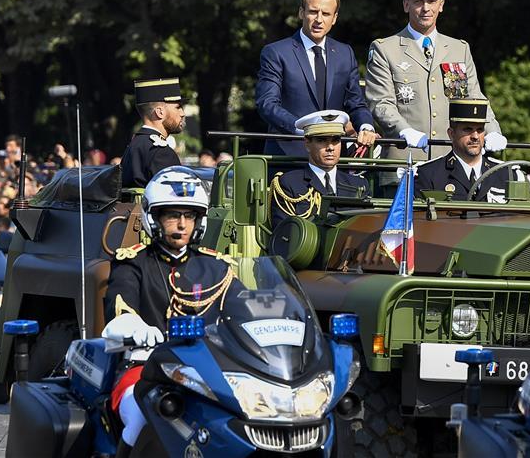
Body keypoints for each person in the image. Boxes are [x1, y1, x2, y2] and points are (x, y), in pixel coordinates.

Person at [102, 166, 237, 448]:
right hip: (145, 369)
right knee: (142, 417)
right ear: (154, 218)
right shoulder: (133, 262)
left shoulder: (216, 266)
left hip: (210, 372)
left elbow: (243, 309)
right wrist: (134, 327)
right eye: (173, 215)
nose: (182, 224)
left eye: (189, 216)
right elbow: (120, 307)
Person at [364, 0, 505, 162]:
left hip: (451, 160)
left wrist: (492, 130)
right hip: (405, 159)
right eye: (418, 1)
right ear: (406, 5)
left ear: (441, 5)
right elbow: (380, 102)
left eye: (431, 1)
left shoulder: (459, 49)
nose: (425, 8)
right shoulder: (385, 49)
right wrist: (403, 130)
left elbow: (474, 98)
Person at [256, 0, 377, 156]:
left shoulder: (345, 53)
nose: (319, 19)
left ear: (334, 18)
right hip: (288, 156)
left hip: (332, 157)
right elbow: (267, 104)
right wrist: (302, 128)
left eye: (326, 14)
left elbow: (356, 102)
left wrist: (366, 126)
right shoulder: (276, 52)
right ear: (301, 13)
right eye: (313, 11)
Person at [269, 110, 368, 229]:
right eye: (321, 140)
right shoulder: (289, 184)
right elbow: (285, 235)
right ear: (307, 143)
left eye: (335, 140)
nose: (330, 147)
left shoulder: (359, 185)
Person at [414, 99, 522, 202]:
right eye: (468, 129)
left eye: (480, 130)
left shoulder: (506, 174)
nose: (475, 136)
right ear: (451, 134)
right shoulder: (429, 174)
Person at [120, 78, 183, 188]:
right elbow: (175, 199)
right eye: (178, 107)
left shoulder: (135, 145)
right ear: (160, 112)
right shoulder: (161, 152)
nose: (182, 113)